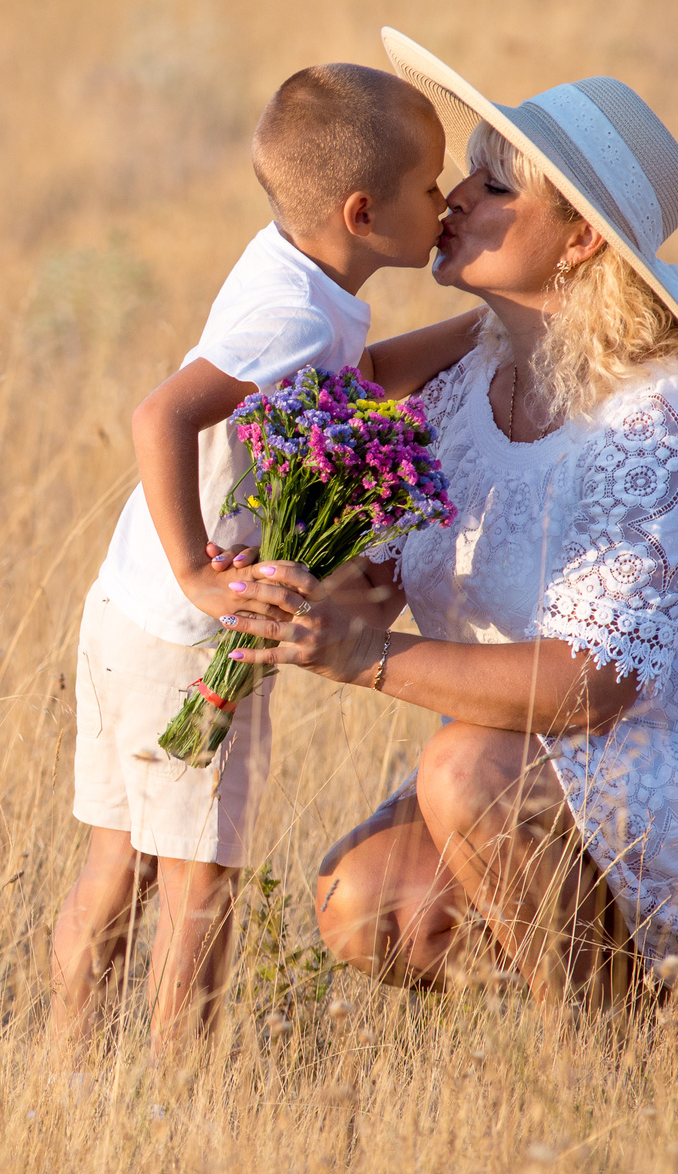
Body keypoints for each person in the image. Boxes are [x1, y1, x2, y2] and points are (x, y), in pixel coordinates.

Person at [218, 31, 678, 1009]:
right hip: (565, 760)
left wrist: (359, 656)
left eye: (493, 188)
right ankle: (657, 1015)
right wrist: (285, 584)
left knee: (466, 768)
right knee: (366, 902)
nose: (452, 199)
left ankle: (602, 1061)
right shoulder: (464, 382)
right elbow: (375, 568)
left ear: (579, 241)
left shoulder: (667, 415)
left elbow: (588, 689)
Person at [47, 62, 481, 1058]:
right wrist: (200, 573)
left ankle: (70, 1069)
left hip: (127, 611)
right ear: (363, 213)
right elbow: (160, 414)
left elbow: (365, 379)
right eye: (430, 186)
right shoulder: (295, 316)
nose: (447, 200)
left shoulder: (292, 274)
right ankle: (174, 1098)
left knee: (118, 864)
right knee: (199, 885)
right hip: (191, 637)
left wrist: (486, 325)